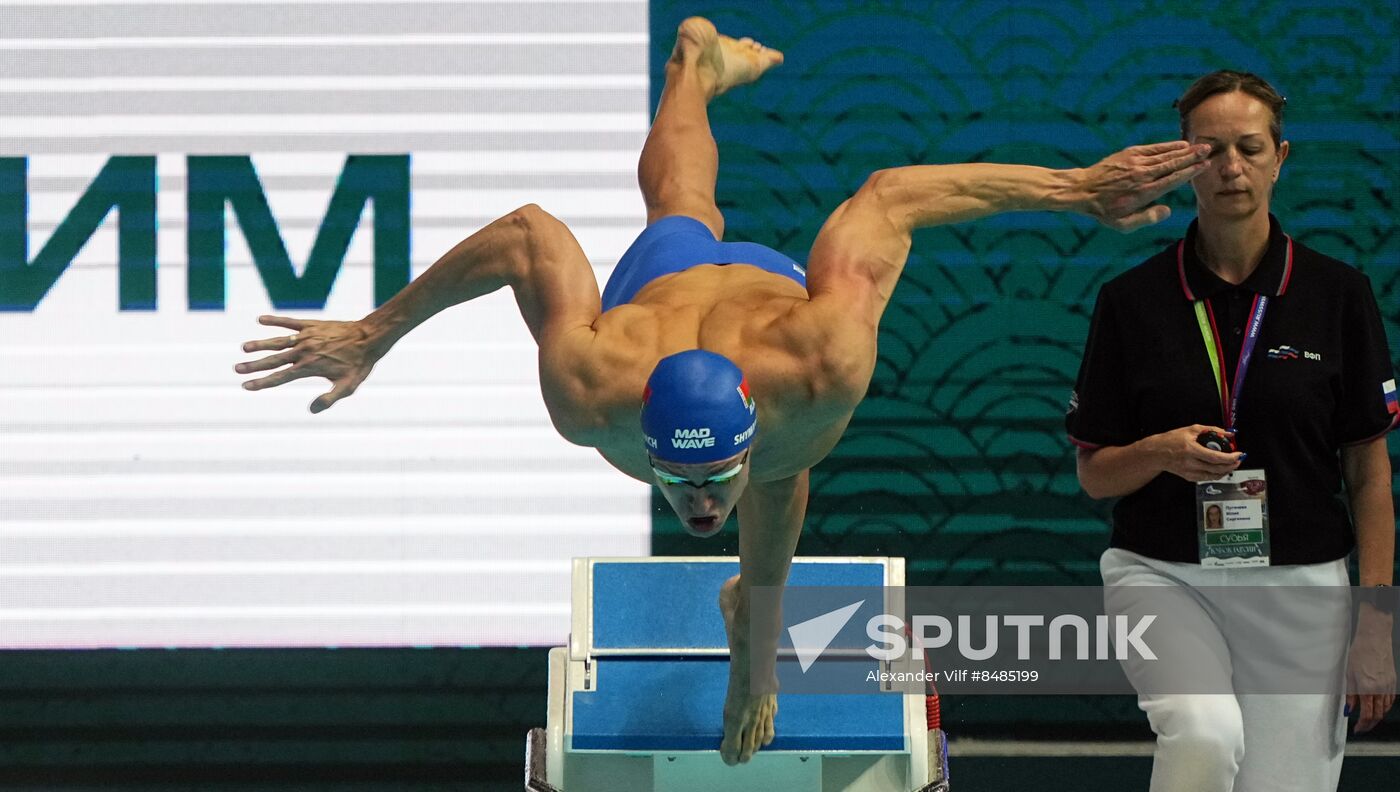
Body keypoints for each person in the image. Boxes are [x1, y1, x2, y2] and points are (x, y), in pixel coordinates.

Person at [237, 16, 1212, 765]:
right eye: (683, 483)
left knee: (703, 257)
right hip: (648, 303)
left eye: (712, 481)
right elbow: (526, 234)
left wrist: (1077, 188)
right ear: (642, 441)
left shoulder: (818, 361)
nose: (700, 504)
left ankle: (693, 66)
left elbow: (891, 198)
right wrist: (375, 333)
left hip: (768, 296)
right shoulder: (590, 387)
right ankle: (692, 66)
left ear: (749, 427)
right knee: (678, 209)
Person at [1067, 70, 1397, 792]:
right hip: (1162, 573)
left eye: (1249, 147)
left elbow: (1369, 472)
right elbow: (1095, 474)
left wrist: (1377, 620)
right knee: (1206, 736)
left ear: (1282, 157)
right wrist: (1157, 452)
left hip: (1302, 586)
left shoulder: (1339, 295)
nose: (1230, 167)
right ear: (1185, 162)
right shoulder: (1132, 302)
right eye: (1209, 150)